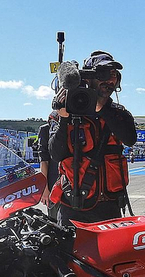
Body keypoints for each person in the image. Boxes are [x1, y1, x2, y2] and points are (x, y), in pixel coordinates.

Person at [47, 50, 137, 224]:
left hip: (110, 208)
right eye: (103, 74)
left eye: (114, 75)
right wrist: (64, 120)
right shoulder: (64, 112)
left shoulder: (119, 114)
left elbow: (130, 138)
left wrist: (101, 109)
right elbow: (56, 155)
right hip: (73, 209)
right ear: (88, 78)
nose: (110, 80)